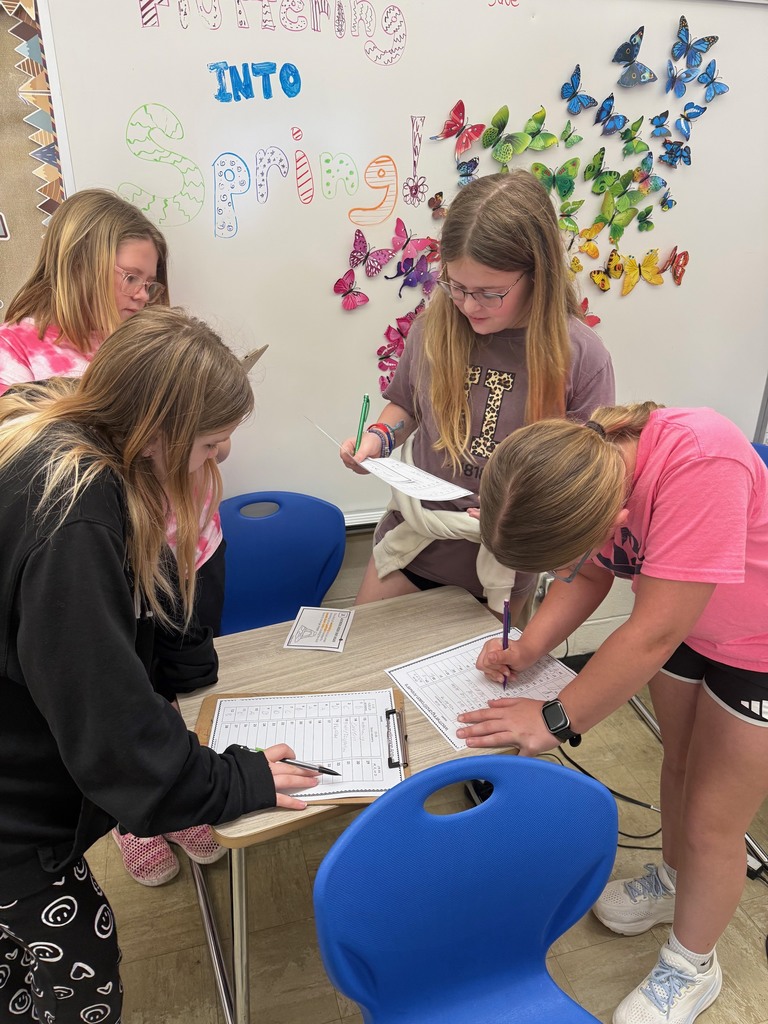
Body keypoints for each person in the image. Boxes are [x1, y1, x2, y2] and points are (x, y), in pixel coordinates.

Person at [0, 307, 316, 1023]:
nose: (216, 466)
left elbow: (143, 605)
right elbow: (115, 733)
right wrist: (238, 778)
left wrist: (185, 660)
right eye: (208, 449)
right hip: (14, 827)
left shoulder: (59, 434)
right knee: (86, 986)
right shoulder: (75, 518)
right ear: (156, 438)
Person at [458, 403, 768, 1024]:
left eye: (562, 557)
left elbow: (650, 632)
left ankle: (692, 964)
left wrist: (554, 718)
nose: (561, 571)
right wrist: (527, 650)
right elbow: (588, 577)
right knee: (677, 766)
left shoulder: (701, 460)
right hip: (692, 629)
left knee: (714, 818)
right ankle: (678, 880)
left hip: (757, 645)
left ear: (617, 517)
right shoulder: (589, 470)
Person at [0, 188, 228, 885]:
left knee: (170, 684)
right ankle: (134, 811)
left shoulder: (151, 334)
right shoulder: (19, 353)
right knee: (115, 689)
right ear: (78, 263)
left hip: (184, 546)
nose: (142, 293)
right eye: (128, 278)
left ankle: (178, 790)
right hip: (100, 567)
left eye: (150, 280)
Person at [340, 170, 615, 622]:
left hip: (503, 571)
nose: (468, 306)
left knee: (477, 689)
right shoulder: (434, 327)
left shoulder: (581, 356)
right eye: (457, 286)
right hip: (415, 546)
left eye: (489, 293)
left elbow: (585, 480)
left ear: (538, 274)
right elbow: (406, 404)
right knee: (367, 672)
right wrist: (378, 440)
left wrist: (525, 508)